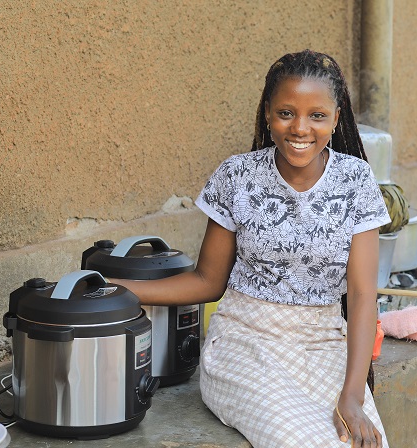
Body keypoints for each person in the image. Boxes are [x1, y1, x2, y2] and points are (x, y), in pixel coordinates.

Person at [114, 49, 391, 447]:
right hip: (245, 343)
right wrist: (120, 288)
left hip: (323, 342)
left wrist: (352, 395)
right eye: (285, 113)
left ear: (335, 119)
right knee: (302, 441)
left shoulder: (357, 181)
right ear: (266, 113)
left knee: (364, 441)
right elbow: (208, 281)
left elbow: (364, 295)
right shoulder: (237, 176)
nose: (300, 128)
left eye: (317, 115)